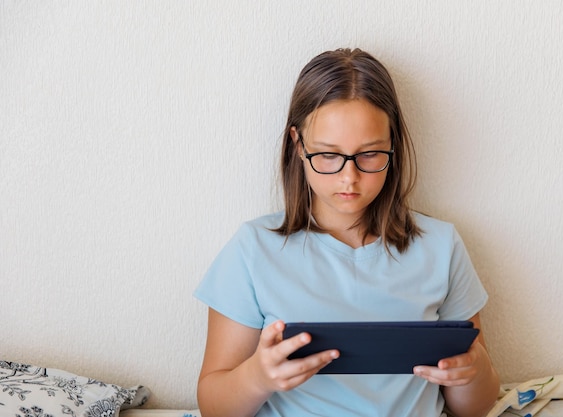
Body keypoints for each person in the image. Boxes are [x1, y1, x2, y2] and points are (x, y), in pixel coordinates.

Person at [194, 48, 500, 417]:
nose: (348, 178)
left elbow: (475, 408)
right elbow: (213, 406)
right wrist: (257, 377)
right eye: (327, 155)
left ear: (393, 144)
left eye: (369, 154)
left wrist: (473, 372)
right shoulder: (252, 249)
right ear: (297, 144)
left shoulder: (441, 246)